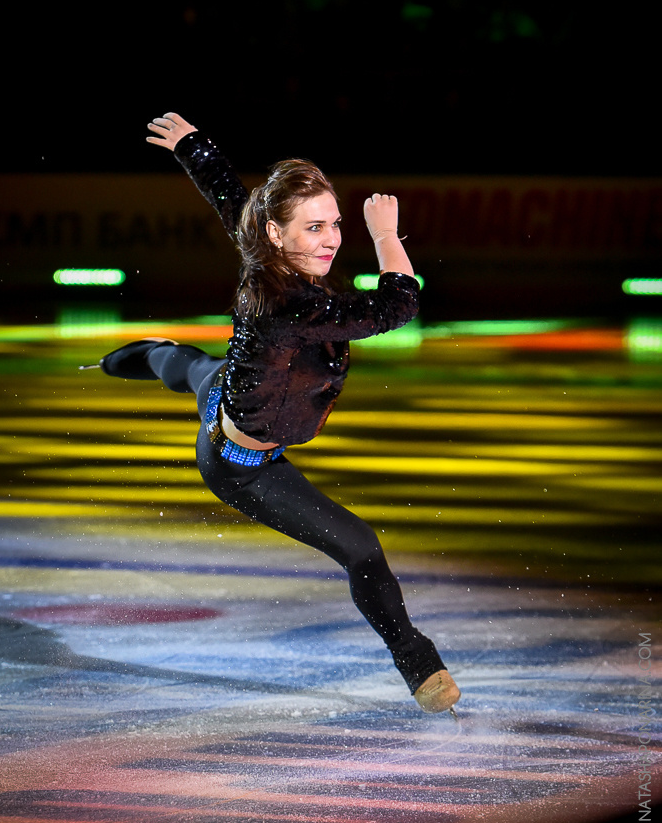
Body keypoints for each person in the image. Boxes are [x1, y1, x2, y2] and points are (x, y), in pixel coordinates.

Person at [90, 112, 460, 714]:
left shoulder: (266, 252)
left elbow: (230, 196)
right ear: (276, 234)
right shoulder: (288, 308)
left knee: (185, 366)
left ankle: (145, 354)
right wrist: (386, 234)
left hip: (235, 387)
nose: (333, 239)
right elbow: (396, 307)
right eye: (315, 228)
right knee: (361, 548)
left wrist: (193, 146)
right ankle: (419, 664)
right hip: (244, 464)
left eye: (335, 224)